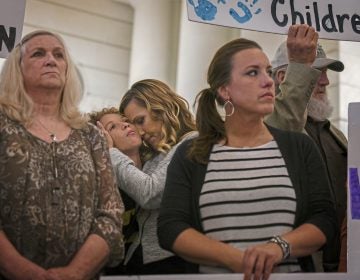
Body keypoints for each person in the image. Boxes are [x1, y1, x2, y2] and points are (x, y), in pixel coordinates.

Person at [158, 37, 337, 279]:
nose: (268, 81)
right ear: (224, 90)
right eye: (253, 73)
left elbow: (324, 219)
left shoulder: (299, 147)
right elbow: (171, 228)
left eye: (269, 71)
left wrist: (279, 247)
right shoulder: (192, 153)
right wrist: (235, 259)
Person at [0, 30, 124, 280]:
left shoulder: (91, 135)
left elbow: (110, 212)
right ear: (17, 69)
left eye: (59, 55)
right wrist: (24, 272)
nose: (51, 60)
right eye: (38, 54)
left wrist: (75, 273)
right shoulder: (3, 127)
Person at [267, 24, 347, 272]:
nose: (325, 81)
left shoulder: (338, 136)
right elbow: (285, 123)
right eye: (316, 71)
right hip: (298, 265)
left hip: (343, 262)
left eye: (326, 72)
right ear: (284, 77)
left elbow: (352, 188)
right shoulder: (267, 128)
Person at [109, 79, 197, 274]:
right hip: (141, 260)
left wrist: (109, 151)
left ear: (163, 108)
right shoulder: (155, 157)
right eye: (132, 124)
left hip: (172, 262)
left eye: (141, 120)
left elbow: (150, 193)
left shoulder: (193, 142)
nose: (139, 131)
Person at [88, 108, 142, 275]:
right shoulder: (103, 187)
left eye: (125, 120)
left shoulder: (157, 171)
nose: (125, 125)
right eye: (112, 127)